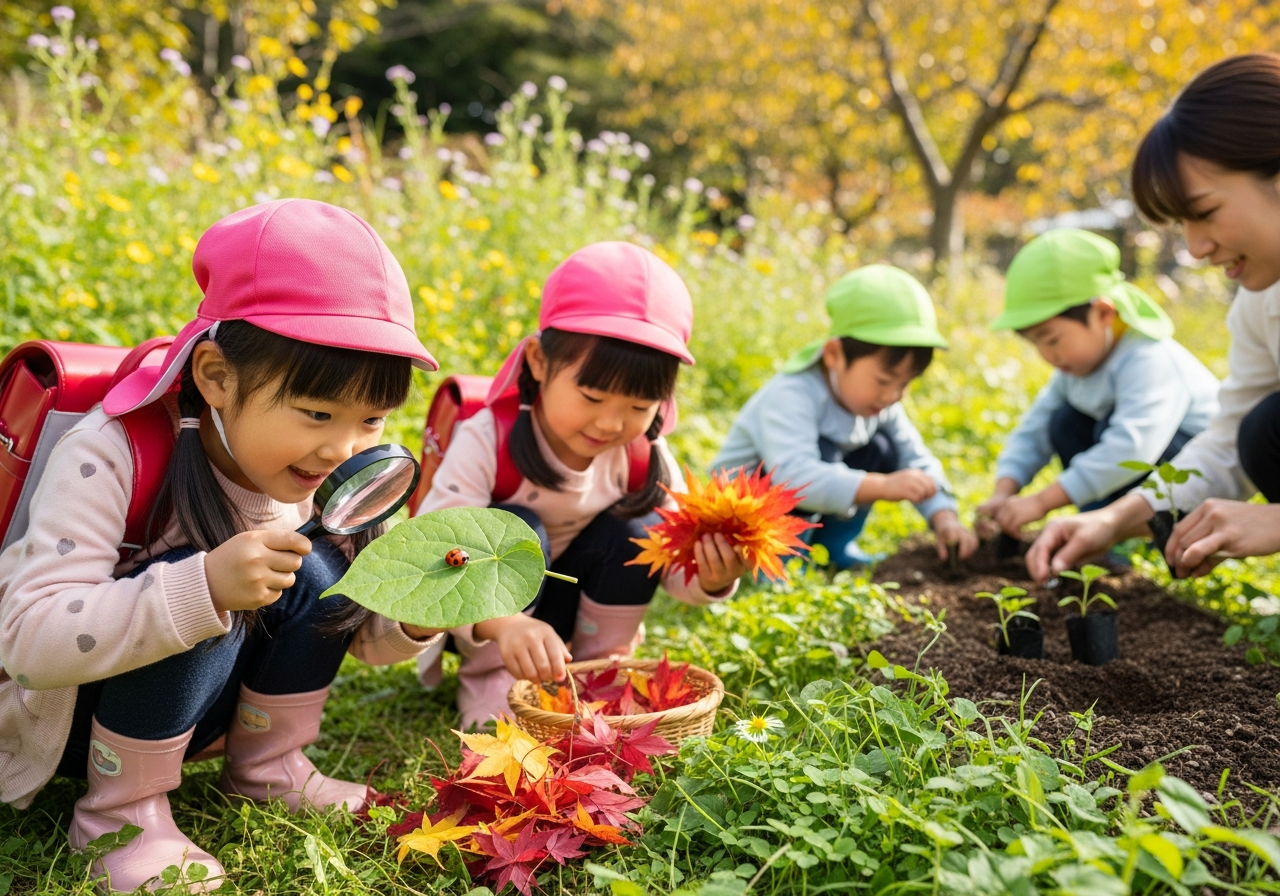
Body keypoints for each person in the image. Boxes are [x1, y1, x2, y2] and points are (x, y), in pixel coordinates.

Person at [0, 199, 448, 893]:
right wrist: (201, 587)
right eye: (317, 413)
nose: (343, 447)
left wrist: (417, 616)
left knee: (319, 565)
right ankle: (119, 817)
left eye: (371, 420)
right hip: (64, 723)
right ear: (215, 376)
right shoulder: (109, 453)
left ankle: (269, 767)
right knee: (197, 573)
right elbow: (28, 643)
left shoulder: (323, 476)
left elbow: (356, 633)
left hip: (194, 714)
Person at [414, 241, 747, 729]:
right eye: (591, 396)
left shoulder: (644, 455)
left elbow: (674, 572)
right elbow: (436, 556)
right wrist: (504, 625)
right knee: (517, 528)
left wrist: (713, 575)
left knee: (640, 527)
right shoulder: (488, 438)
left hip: (584, 608)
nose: (611, 423)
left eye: (639, 407)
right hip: (495, 621)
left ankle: (599, 672)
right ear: (538, 361)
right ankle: (492, 677)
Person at [1028, 53, 1280, 582]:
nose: (1196, 247)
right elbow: (1228, 445)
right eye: (1182, 224)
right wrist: (1111, 520)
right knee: (1261, 431)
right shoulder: (1260, 301)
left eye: (1204, 212)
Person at [710, 264, 978, 569]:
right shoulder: (792, 394)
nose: (893, 395)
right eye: (884, 381)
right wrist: (882, 486)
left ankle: (833, 548)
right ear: (834, 355)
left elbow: (913, 457)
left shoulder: (881, 403)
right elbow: (794, 477)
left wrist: (944, 517)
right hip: (741, 513)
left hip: (803, 490)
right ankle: (776, 562)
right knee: (821, 457)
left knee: (881, 447)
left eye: (905, 383)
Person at [977, 228, 1218, 537]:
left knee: (1110, 431)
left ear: (1104, 313)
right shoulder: (1076, 368)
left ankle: (1145, 531)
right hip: (1138, 472)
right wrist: (1004, 491)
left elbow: (1131, 449)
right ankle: (1098, 532)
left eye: (1052, 340)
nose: (1047, 355)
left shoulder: (1148, 357)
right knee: (1063, 421)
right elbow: (1035, 428)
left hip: (1201, 475)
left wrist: (1041, 502)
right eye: (1036, 344)